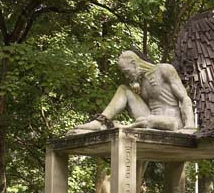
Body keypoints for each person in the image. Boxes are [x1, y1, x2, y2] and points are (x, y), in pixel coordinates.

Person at [67, 51, 195, 135]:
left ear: (134, 64)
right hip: (149, 118)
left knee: (147, 120)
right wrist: (139, 95)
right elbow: (151, 105)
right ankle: (100, 122)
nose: (126, 76)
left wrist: (189, 126)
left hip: (171, 121)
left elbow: (185, 98)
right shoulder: (142, 83)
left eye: (126, 71)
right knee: (124, 89)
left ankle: (123, 126)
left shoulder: (165, 69)